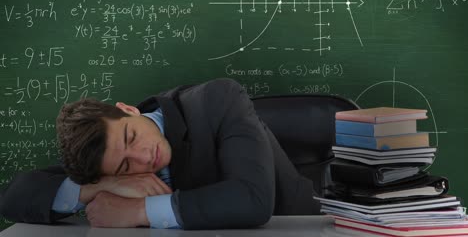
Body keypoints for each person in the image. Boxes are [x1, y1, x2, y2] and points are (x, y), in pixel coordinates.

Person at [0, 78, 321, 230]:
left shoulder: (217, 100)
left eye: (132, 136)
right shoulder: (102, 156)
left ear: (127, 110)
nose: (143, 157)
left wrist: (137, 210)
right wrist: (95, 188)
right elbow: (14, 197)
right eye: (125, 166)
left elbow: (251, 200)